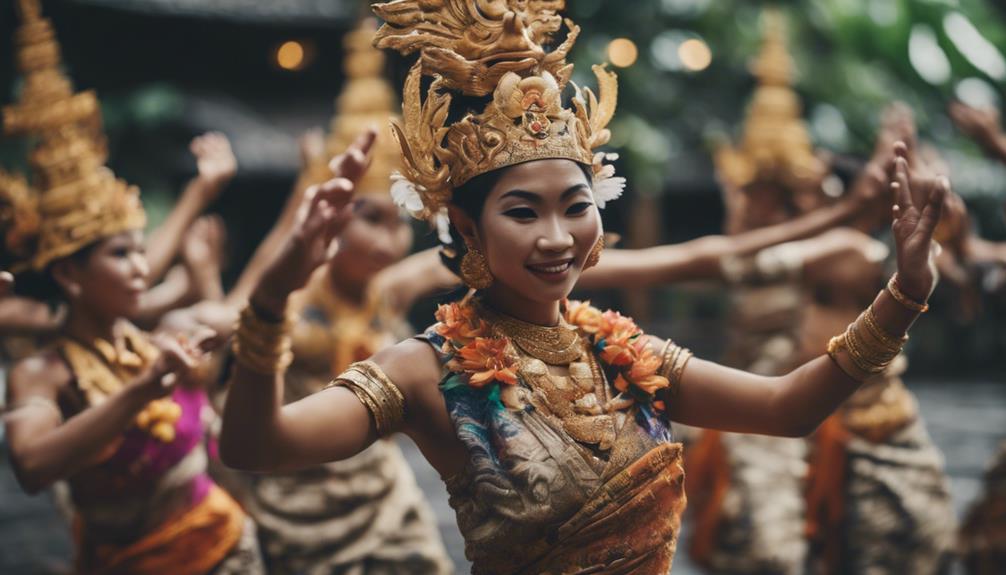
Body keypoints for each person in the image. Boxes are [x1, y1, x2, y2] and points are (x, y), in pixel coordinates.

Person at [220, 2, 945, 572]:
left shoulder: (624, 353)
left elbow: (789, 406)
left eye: (576, 206)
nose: (558, 237)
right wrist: (270, 303)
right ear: (468, 232)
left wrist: (904, 292)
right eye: (523, 212)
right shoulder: (425, 367)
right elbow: (257, 446)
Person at [0, 2, 263, 572]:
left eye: (139, 250)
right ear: (69, 275)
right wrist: (140, 391)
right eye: (122, 254)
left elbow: (161, 285)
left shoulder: (142, 333)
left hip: (222, 544)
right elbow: (32, 467)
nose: (141, 265)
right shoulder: (44, 371)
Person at [224, 18, 453, 574]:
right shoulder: (286, 302)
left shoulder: (386, 290)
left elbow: (491, 260)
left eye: (400, 221)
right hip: (293, 499)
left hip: (382, 492)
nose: (389, 240)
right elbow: (232, 326)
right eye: (367, 218)